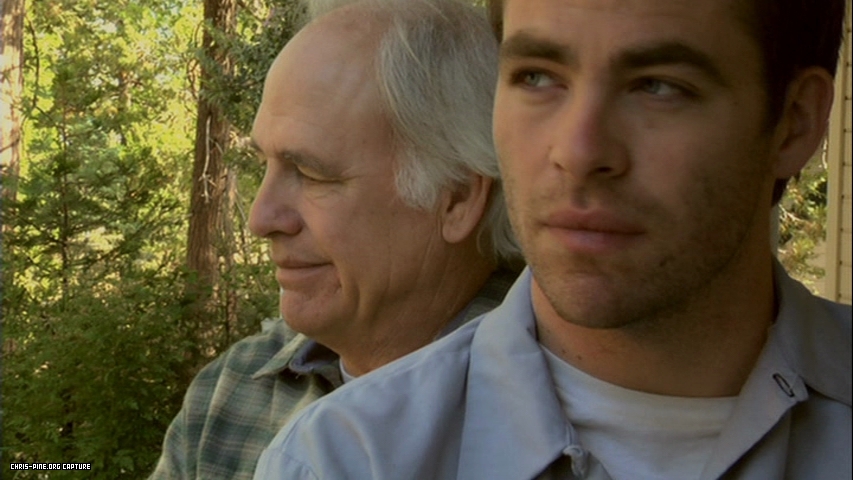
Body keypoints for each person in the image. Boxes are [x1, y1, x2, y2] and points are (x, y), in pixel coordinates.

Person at [254, 0, 852, 478]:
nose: (578, 150)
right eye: (536, 77)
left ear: (795, 122)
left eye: (658, 85)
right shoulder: (346, 460)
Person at [148, 0, 521, 478]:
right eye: (265, 166)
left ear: (457, 197)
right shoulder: (231, 394)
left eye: (311, 174)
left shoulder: (552, 410)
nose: (261, 219)